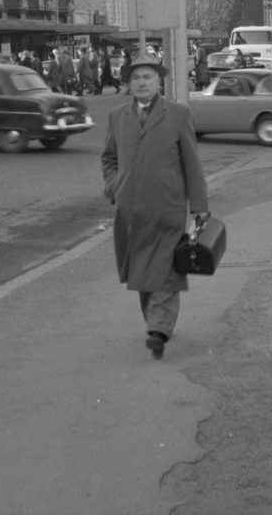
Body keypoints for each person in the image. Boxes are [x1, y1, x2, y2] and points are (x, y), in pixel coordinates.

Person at [101, 51, 210, 360]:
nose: (141, 82)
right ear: (129, 83)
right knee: (142, 272)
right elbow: (108, 158)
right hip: (131, 211)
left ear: (159, 81)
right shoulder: (116, 117)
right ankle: (156, 320)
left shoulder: (177, 115)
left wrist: (199, 206)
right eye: (135, 78)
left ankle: (158, 329)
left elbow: (192, 164)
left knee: (164, 269)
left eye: (147, 77)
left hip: (167, 209)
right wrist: (114, 184)